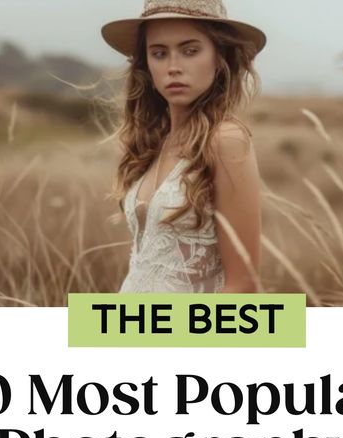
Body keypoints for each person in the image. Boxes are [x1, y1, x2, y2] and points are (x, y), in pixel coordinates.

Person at [101, 0, 266, 293]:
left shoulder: (225, 140)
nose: (173, 67)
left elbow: (244, 286)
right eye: (159, 53)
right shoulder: (154, 142)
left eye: (190, 51)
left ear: (219, 57)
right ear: (146, 63)